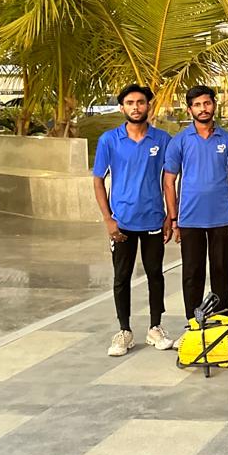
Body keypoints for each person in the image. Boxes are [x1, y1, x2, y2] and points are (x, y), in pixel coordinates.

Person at [92, 84, 174, 356]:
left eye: (140, 102)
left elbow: (169, 180)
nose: (136, 107)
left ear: (148, 105)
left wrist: (170, 216)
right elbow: (98, 180)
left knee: (155, 274)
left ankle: (155, 327)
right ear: (122, 107)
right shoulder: (109, 140)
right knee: (122, 277)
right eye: (130, 103)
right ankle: (124, 331)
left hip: (153, 220)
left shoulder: (162, 139)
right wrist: (108, 219)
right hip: (122, 223)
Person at [163, 85, 228, 324]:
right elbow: (169, 182)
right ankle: (193, 321)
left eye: (207, 103)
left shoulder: (227, 140)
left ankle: (222, 319)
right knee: (192, 273)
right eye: (197, 105)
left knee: (222, 271)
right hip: (190, 219)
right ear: (190, 110)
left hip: (221, 219)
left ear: (214, 105)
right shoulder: (180, 141)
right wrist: (174, 219)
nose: (203, 108)